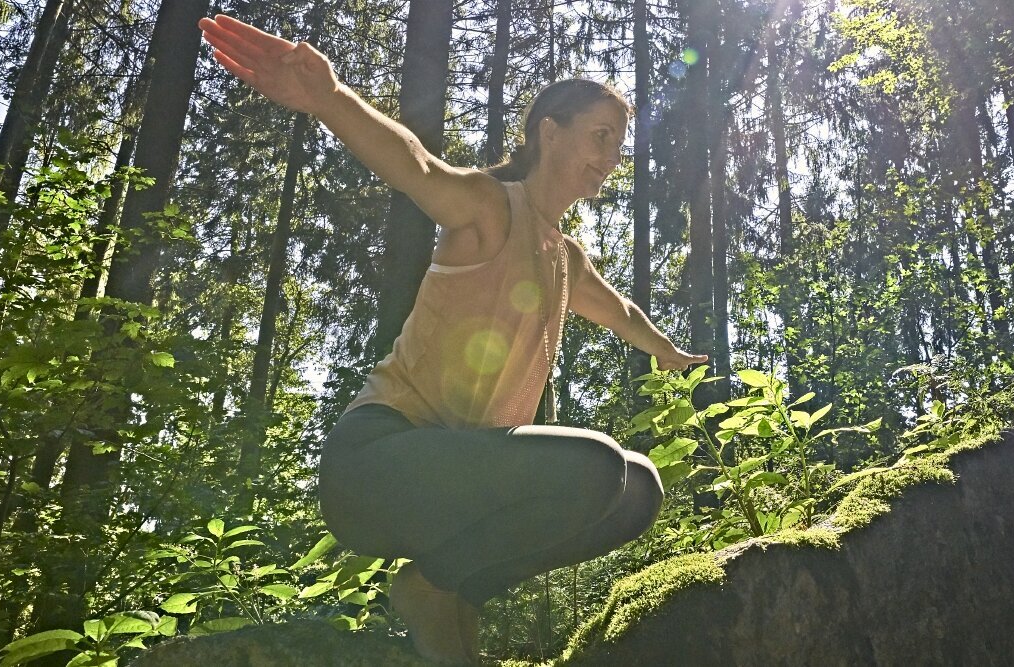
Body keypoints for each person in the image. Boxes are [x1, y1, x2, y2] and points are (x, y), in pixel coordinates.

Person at [198, 14, 708, 664]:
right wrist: (328, 97)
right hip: (376, 463)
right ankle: (430, 589)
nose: (610, 159)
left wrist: (664, 348)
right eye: (600, 137)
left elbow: (621, 310)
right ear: (549, 134)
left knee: (638, 489)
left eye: (618, 144)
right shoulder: (491, 207)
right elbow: (416, 165)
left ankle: (455, 593)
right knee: (598, 466)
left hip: (459, 471)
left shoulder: (566, 258)